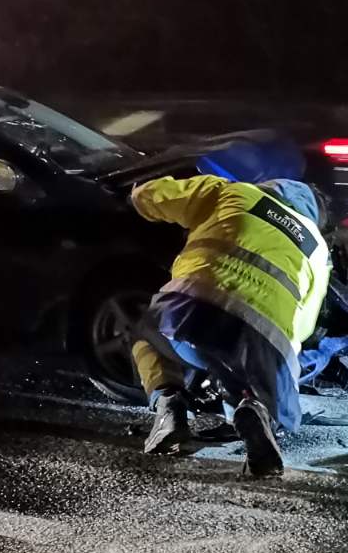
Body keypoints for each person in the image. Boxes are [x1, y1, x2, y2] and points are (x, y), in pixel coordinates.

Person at [128, 175, 331, 477]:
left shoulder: (235, 192)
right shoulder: (318, 250)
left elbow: (156, 196)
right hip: (263, 335)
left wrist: (135, 196)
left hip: (192, 307)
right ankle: (256, 408)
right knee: (268, 388)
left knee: (148, 339)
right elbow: (303, 327)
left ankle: (168, 404)